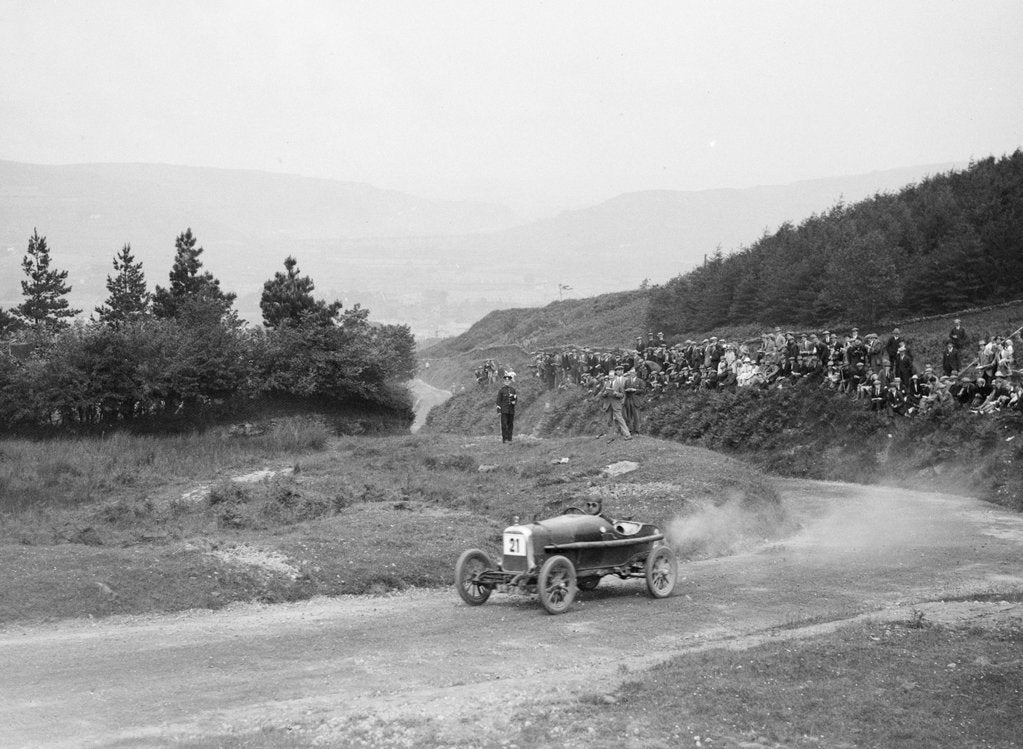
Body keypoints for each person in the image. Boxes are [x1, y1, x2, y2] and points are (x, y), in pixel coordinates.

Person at [599, 364, 632, 440]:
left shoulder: (619, 384)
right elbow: (602, 393)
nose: (610, 378)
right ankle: (611, 436)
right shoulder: (606, 383)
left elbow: (622, 395)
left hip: (616, 404)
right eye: (609, 376)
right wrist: (604, 394)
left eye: (612, 376)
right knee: (609, 421)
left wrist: (616, 394)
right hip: (607, 405)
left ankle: (627, 435)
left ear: (614, 376)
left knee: (620, 419)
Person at [496, 372, 517, 443]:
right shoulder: (501, 390)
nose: (507, 382)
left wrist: (514, 402)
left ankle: (510, 439)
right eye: (506, 381)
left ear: (510, 382)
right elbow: (498, 401)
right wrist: (499, 411)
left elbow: (515, 398)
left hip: (511, 410)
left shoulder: (513, 390)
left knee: (510, 424)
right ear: (504, 382)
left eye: (508, 381)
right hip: (504, 410)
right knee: (504, 424)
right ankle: (504, 439)